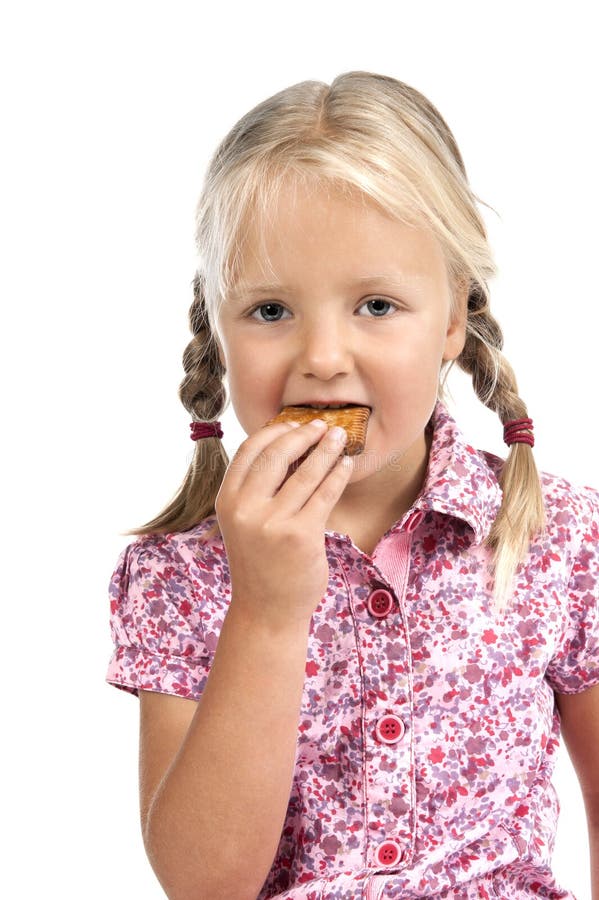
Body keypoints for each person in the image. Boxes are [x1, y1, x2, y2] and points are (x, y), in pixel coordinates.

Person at [105, 71, 599, 900]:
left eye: (375, 305)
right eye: (270, 311)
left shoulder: (561, 538)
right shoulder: (179, 576)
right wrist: (266, 611)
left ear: (451, 320)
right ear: (217, 329)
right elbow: (203, 885)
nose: (323, 357)